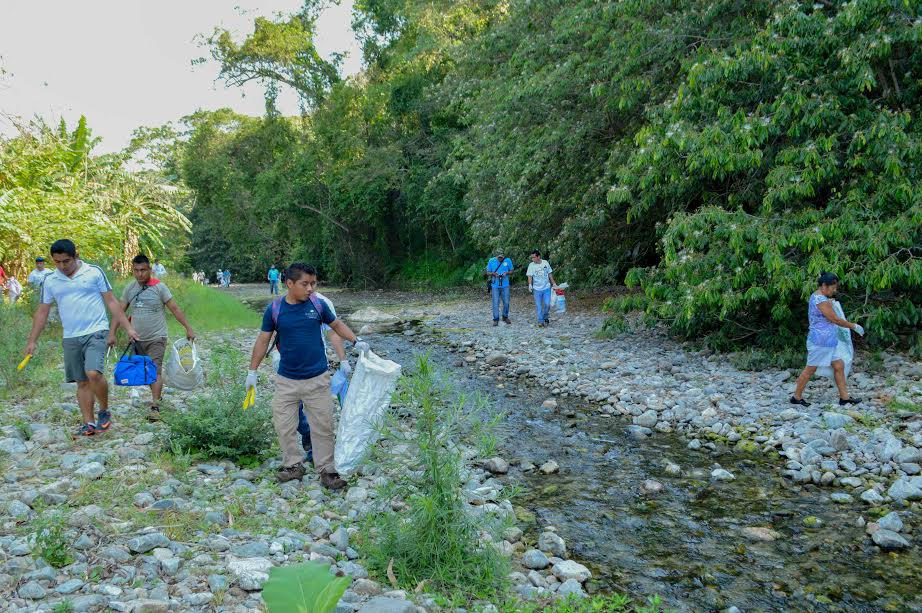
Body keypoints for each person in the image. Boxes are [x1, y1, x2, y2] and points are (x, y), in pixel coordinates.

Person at [246, 263, 364, 489]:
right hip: (286, 380)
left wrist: (356, 342)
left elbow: (336, 326)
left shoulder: (318, 306)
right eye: (305, 284)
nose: (310, 288)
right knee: (284, 424)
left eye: (313, 283)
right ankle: (293, 465)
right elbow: (263, 340)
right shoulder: (275, 309)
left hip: (317, 379)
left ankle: (327, 471)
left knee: (323, 426)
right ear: (289, 284)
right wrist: (252, 371)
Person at [23, 239, 139, 436]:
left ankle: (103, 410)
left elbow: (111, 302)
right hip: (71, 336)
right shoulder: (50, 280)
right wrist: (32, 341)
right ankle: (89, 423)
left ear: (76, 256)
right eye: (57, 262)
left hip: (96, 330)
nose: (61, 266)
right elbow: (42, 312)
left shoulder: (93, 272)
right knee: (82, 381)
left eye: (66, 261)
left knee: (93, 373)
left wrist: (128, 328)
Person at [111, 254, 196, 421]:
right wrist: (111, 333)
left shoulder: (160, 288)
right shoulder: (130, 288)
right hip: (136, 339)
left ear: (150, 269)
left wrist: (188, 328)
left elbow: (175, 309)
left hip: (157, 337)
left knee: (155, 369)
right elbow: (119, 312)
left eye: (143, 270)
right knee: (145, 371)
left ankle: (155, 406)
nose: (140, 274)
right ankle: (158, 397)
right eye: (136, 270)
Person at [791, 272, 865, 407]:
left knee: (839, 365)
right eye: (833, 288)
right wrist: (853, 326)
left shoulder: (821, 298)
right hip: (820, 342)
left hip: (829, 341)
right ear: (824, 286)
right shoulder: (820, 300)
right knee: (810, 369)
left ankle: (844, 397)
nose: (834, 290)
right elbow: (835, 319)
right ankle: (796, 397)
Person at [527, 250, 557, 327]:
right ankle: (540, 321)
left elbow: (549, 273)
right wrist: (530, 284)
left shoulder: (545, 263)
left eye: (534, 257)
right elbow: (530, 276)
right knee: (539, 306)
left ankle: (545, 317)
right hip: (537, 289)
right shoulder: (531, 265)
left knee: (547, 304)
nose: (532, 259)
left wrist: (553, 283)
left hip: (546, 287)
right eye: (532, 257)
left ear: (538, 257)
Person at [485, 248, 513, 326]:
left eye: (502, 257)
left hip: (505, 285)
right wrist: (493, 274)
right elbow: (487, 272)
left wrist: (506, 273)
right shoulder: (491, 261)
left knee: (506, 302)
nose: (501, 258)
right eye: (499, 257)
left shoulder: (508, 260)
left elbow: (512, 271)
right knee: (495, 302)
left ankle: (505, 316)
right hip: (495, 285)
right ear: (496, 256)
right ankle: (496, 319)